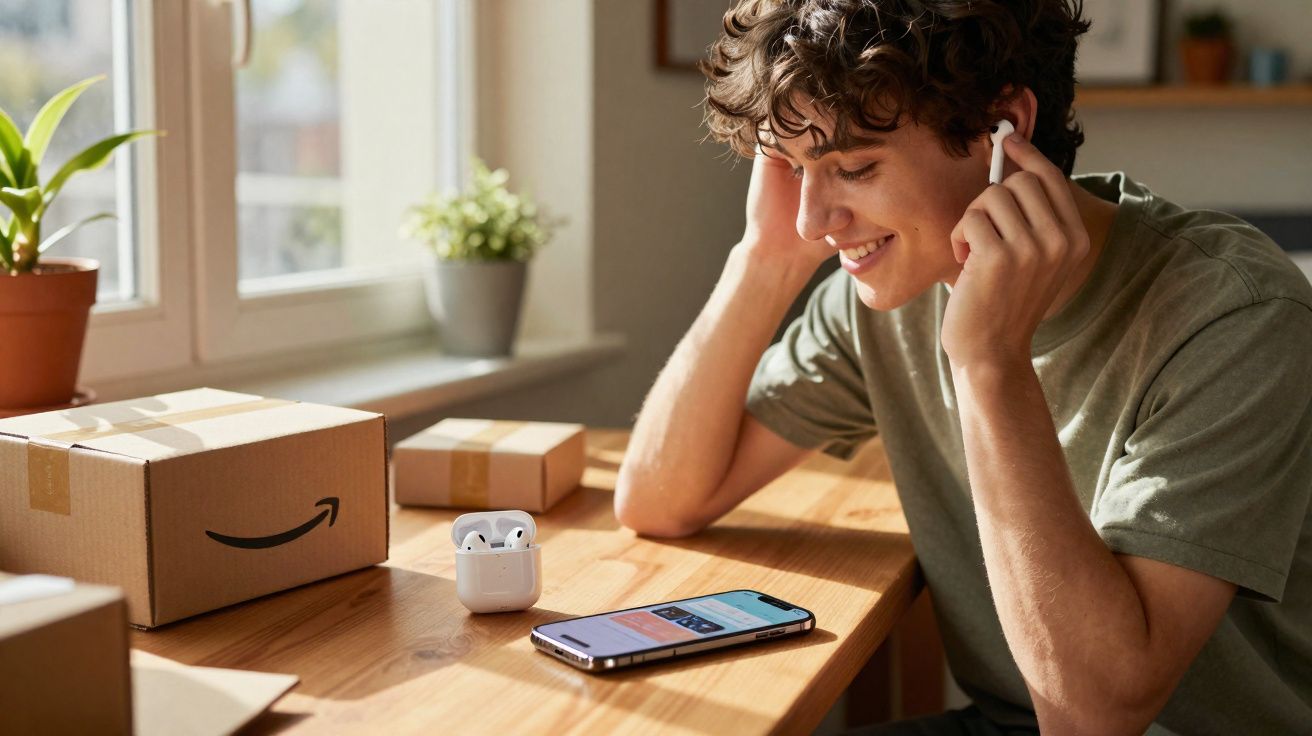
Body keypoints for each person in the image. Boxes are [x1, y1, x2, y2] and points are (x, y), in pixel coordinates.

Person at [613, 1, 1312, 733]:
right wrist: (763, 257)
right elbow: (661, 497)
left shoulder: (1235, 312)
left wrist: (988, 362)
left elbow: (1095, 716)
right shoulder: (890, 291)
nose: (814, 220)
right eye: (795, 169)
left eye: (852, 167)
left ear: (1000, 126)